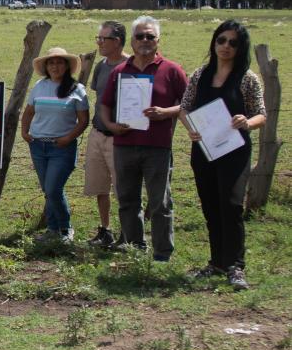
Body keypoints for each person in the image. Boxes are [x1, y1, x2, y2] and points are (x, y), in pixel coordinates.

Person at [180, 20, 265, 290]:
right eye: (221, 40)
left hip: (235, 151)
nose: (226, 46)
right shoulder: (200, 74)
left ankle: (236, 266)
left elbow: (261, 114)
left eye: (233, 43)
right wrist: (191, 128)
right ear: (214, 42)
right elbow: (184, 107)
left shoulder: (248, 78)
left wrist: (246, 122)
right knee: (210, 205)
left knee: (231, 205)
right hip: (204, 150)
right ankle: (216, 262)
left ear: (241, 48)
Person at [100, 15, 188, 261]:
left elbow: (189, 104)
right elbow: (105, 105)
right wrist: (110, 125)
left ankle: (162, 253)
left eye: (150, 36)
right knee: (127, 199)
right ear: (132, 41)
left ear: (158, 40)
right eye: (140, 36)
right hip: (124, 145)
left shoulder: (172, 70)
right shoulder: (120, 71)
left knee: (160, 202)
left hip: (157, 147)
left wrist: (166, 113)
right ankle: (135, 247)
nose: (145, 40)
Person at [21, 47, 90, 242]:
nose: (55, 66)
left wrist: (68, 138)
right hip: (38, 145)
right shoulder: (39, 86)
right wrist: (24, 131)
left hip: (62, 147)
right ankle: (52, 229)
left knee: (52, 189)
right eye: (51, 63)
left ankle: (65, 229)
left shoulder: (77, 89)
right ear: (46, 66)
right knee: (49, 191)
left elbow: (84, 120)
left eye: (59, 62)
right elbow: (28, 111)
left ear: (67, 66)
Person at [83, 21, 130, 248]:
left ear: (118, 41)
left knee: (123, 188)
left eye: (104, 39)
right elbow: (99, 96)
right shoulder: (101, 66)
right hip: (97, 133)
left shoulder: (131, 67)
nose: (99, 43)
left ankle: (127, 234)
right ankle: (105, 230)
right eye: (98, 38)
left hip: (121, 138)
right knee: (100, 186)